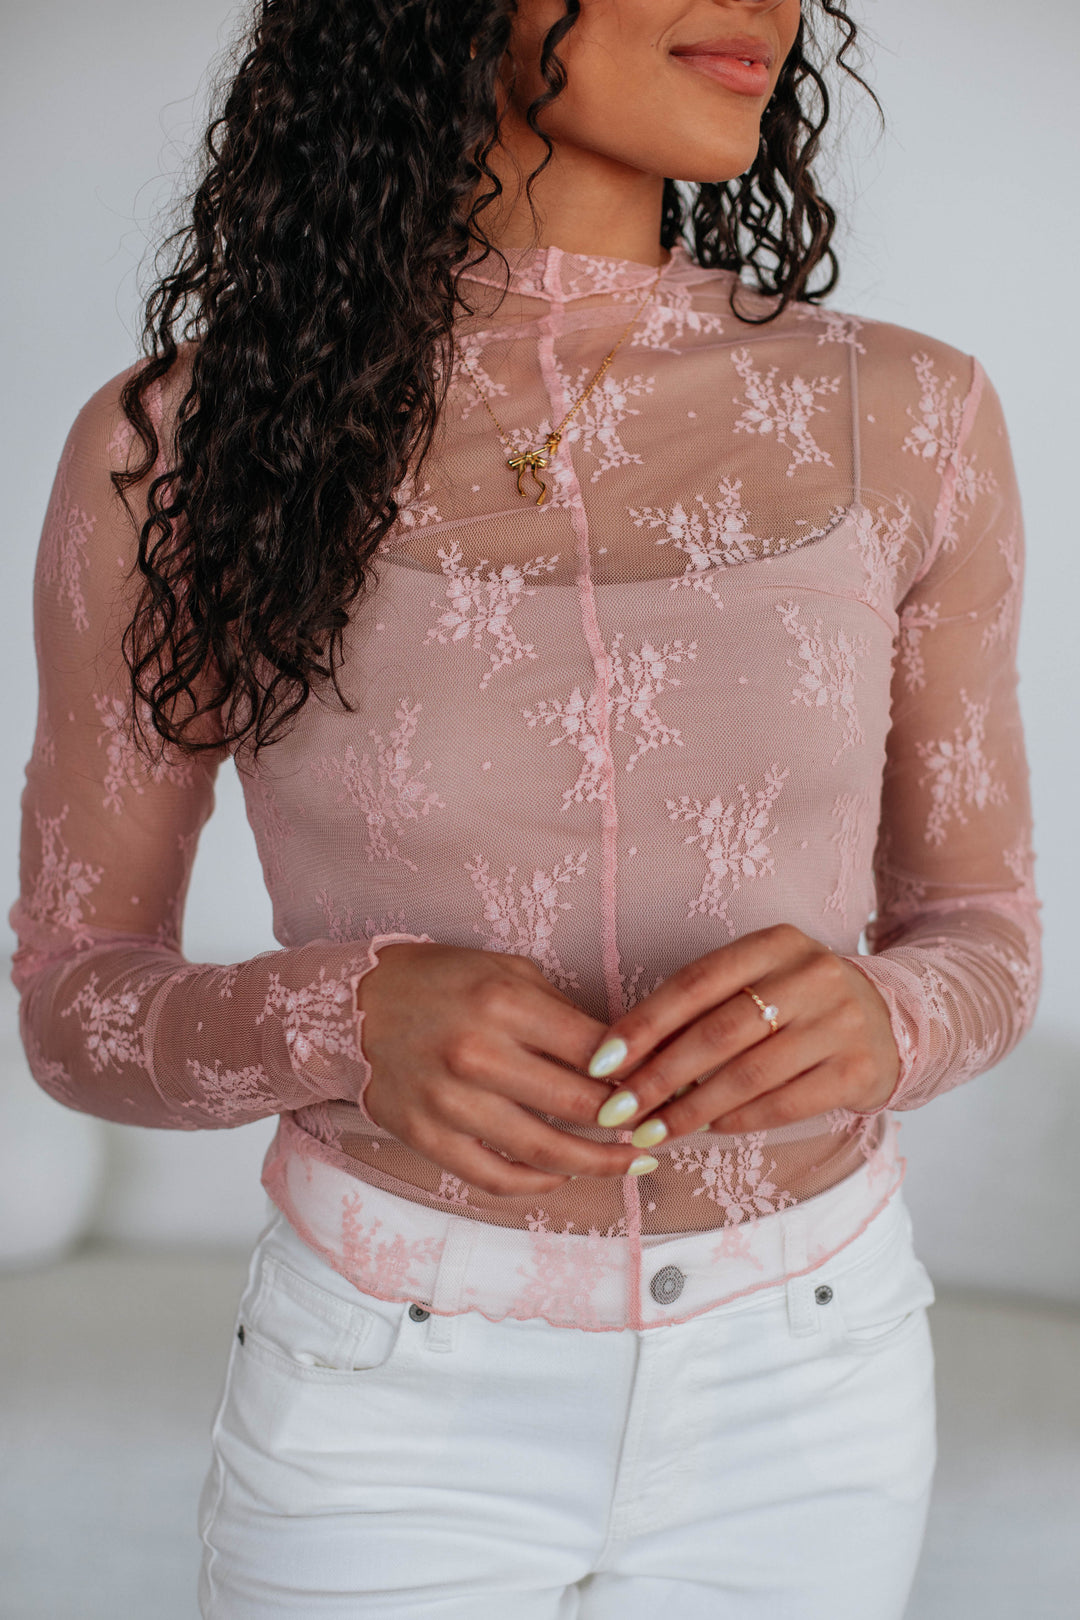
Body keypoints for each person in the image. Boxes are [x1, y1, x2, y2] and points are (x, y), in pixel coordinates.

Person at [9, 1, 1043, 1615]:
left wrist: (888, 1023)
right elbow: (75, 999)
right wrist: (344, 1018)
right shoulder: (184, 450)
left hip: (814, 1381)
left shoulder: (914, 419)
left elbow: (985, 928)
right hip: (388, 1382)